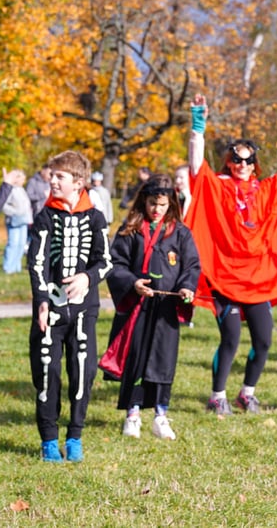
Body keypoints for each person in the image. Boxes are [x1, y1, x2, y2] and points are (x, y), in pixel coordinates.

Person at [186, 94, 277, 416]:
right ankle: (217, 396)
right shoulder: (217, 186)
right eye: (236, 160)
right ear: (228, 162)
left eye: (248, 161)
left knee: (263, 340)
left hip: (257, 279)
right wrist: (198, 124)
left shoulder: (265, 189)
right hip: (224, 277)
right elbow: (195, 164)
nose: (242, 166)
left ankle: (247, 393)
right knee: (230, 338)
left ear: (255, 164)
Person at [27, 150, 112, 462]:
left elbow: (106, 262)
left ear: (79, 182)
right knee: (47, 372)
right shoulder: (45, 217)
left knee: (83, 372)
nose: (53, 180)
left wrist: (88, 279)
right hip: (51, 309)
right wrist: (41, 302)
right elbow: (36, 264)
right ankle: (49, 439)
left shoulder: (95, 217)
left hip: (84, 310)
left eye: (59, 176)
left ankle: (75, 435)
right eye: (52, 174)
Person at [105, 174, 201, 440]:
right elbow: (116, 263)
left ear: (170, 203)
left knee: (163, 361)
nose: (156, 210)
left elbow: (191, 265)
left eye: (162, 204)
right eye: (151, 204)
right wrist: (133, 283)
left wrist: (186, 287)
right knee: (136, 359)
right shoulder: (131, 229)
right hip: (137, 308)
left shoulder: (180, 232)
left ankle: (161, 414)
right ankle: (133, 415)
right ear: (143, 202)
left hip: (166, 310)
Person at [1, 169, 32, 273]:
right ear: (16, 178)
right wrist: (15, 212)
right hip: (14, 221)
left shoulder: (21, 190)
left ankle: (16, 267)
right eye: (22, 178)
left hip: (24, 221)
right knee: (13, 243)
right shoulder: (10, 189)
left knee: (21, 244)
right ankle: (8, 267)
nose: (24, 180)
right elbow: (3, 205)